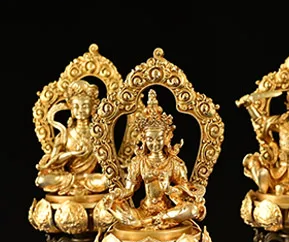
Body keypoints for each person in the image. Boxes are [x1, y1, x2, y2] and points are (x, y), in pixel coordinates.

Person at [106, 90, 205, 229]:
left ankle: (150, 222)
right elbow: (129, 190)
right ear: (143, 139)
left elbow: (185, 191)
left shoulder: (174, 163)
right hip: (144, 210)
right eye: (150, 139)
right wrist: (116, 195)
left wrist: (168, 188)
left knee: (193, 209)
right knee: (112, 206)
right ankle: (148, 221)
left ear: (166, 138)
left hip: (167, 211)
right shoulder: (138, 162)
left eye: (158, 139)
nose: (154, 143)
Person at [36, 80, 107, 195]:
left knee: (107, 180)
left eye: (85, 106)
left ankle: (77, 186)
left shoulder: (98, 134)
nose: (80, 110)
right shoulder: (65, 134)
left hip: (90, 177)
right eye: (76, 106)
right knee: (42, 180)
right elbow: (54, 161)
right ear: (71, 109)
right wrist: (71, 154)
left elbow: (106, 160)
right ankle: (78, 185)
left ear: (93, 108)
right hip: (68, 177)